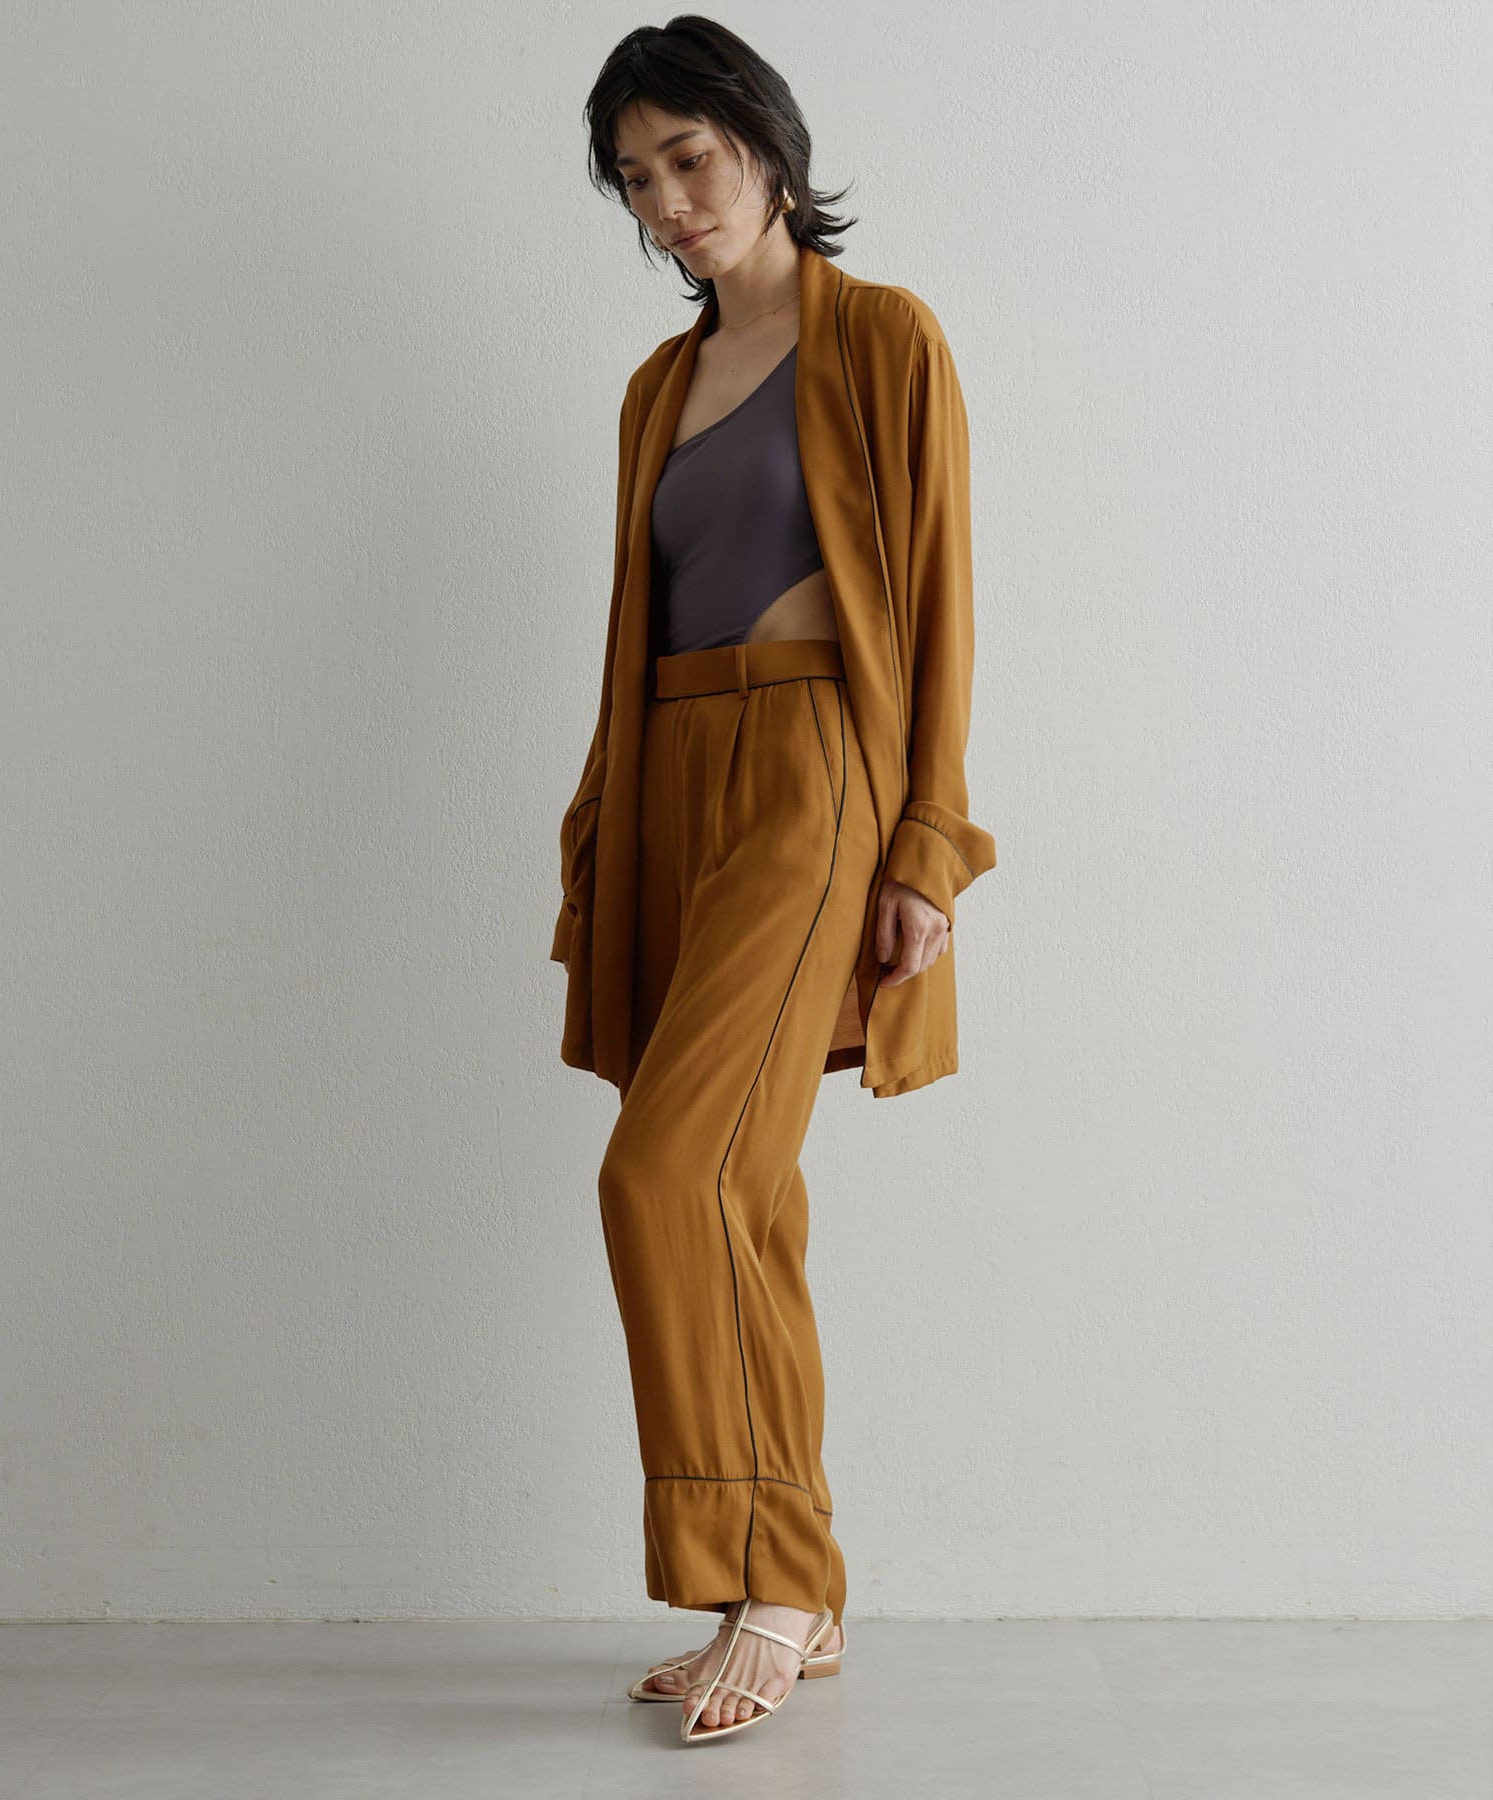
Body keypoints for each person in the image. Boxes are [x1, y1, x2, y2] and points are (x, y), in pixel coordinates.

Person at [554, 18, 997, 1745]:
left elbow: (941, 598)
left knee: (662, 1174)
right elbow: (633, 639)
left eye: (691, 157)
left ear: (767, 146)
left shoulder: (880, 337)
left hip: (818, 768)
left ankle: (776, 1574)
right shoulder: (653, 392)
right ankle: (795, 1585)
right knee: (742, 1190)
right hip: (676, 778)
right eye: (637, 179)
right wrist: (603, 837)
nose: (670, 201)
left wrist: (929, 843)